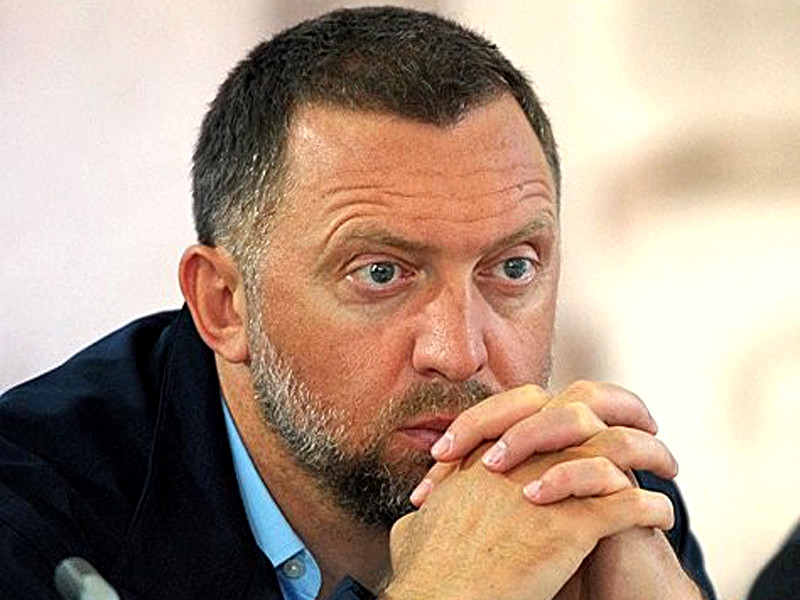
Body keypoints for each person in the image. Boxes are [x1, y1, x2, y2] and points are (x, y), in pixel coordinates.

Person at [0, 6, 716, 599]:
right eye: (381, 274)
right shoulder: (29, 519)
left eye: (512, 267)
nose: (460, 352)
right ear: (225, 304)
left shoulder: (585, 489)